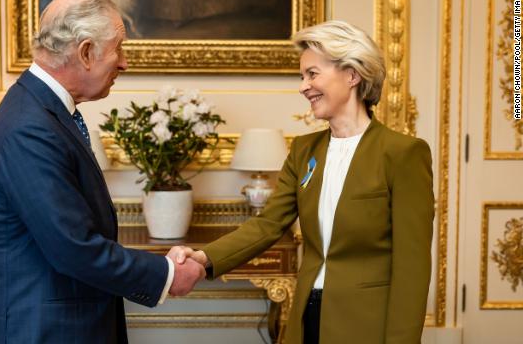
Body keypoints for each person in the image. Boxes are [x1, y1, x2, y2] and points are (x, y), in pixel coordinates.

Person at [171, 20, 435, 344]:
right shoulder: (303, 150)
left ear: (352, 75)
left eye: (312, 74)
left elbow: (413, 267)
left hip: (366, 326)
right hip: (307, 320)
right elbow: (266, 225)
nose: (303, 87)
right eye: (302, 76)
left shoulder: (402, 153)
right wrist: (204, 258)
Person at [0, 0, 204, 343]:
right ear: (85, 52)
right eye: (119, 49)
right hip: (44, 332)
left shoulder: (41, 111)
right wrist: (166, 274)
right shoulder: (30, 126)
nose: (124, 63)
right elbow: (73, 247)